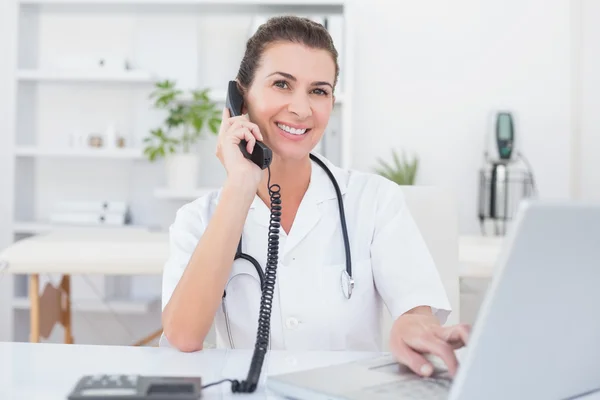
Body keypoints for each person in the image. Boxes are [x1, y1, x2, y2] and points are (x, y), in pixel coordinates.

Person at [161, 15, 470, 378]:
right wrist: (241, 186)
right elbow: (183, 337)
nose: (302, 108)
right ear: (239, 100)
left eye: (318, 91)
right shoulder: (198, 218)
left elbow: (416, 311)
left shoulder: (374, 199)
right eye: (281, 84)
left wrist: (409, 325)